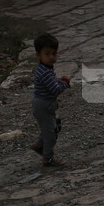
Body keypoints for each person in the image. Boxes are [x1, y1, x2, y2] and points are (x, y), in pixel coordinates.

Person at [31, 33, 71, 168]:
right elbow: (55, 90)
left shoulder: (45, 69)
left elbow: (51, 85)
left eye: (54, 53)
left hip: (45, 105)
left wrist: (60, 82)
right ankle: (47, 158)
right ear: (38, 55)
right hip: (44, 105)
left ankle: (39, 145)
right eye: (47, 54)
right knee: (50, 134)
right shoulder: (45, 72)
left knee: (54, 126)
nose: (52, 57)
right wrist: (65, 83)